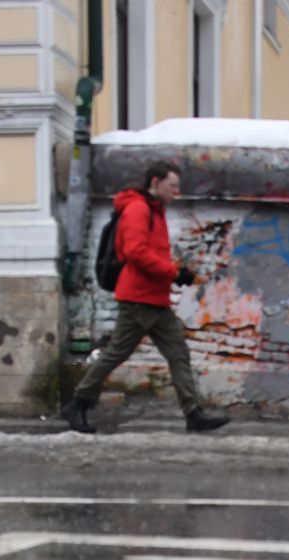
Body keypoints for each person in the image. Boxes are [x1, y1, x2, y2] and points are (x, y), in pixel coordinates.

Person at [61, 160, 229, 435]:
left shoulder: (154, 211)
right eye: (172, 186)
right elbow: (136, 252)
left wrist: (173, 272)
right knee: (119, 353)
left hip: (152, 297)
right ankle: (78, 402)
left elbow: (152, 253)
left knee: (175, 354)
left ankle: (193, 413)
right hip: (139, 298)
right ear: (155, 182)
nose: (176, 192)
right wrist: (173, 272)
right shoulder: (138, 209)